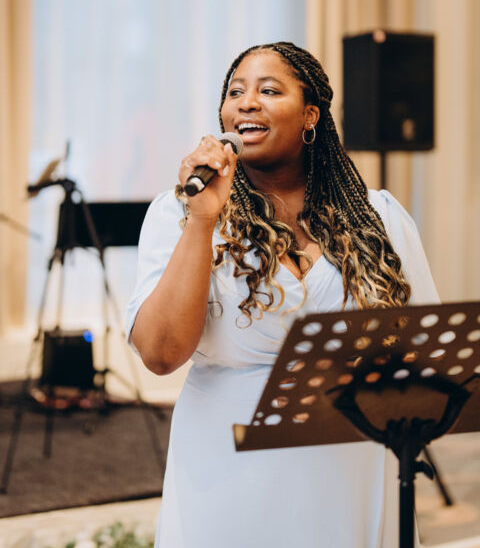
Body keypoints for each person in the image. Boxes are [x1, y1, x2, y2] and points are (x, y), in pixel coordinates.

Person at [125, 41, 439, 548]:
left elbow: (422, 352)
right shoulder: (181, 213)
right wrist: (203, 219)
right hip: (231, 469)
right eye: (235, 92)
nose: (247, 103)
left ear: (310, 115)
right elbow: (161, 355)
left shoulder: (376, 217)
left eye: (269, 91)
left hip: (352, 464)